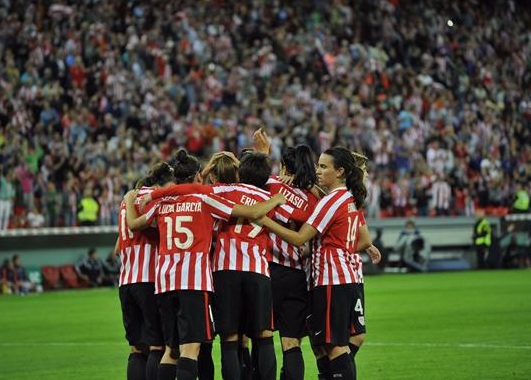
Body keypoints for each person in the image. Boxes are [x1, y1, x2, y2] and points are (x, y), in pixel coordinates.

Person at [125, 149, 286, 380]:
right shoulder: (205, 198)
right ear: (199, 176)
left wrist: (131, 199)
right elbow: (252, 211)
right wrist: (276, 198)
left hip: (163, 282)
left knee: (171, 350)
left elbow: (134, 224)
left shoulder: (163, 202)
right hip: (193, 281)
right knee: (192, 348)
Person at [259, 147, 382, 380]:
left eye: (324, 167)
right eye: (318, 165)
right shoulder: (350, 198)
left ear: (340, 171)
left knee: (332, 346)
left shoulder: (330, 202)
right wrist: (336, 247)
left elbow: (299, 238)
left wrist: (264, 219)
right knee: (343, 341)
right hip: (350, 277)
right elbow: (364, 240)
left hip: (329, 281)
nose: (318, 171)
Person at [253, 129, 320, 380]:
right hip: (296, 275)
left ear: (283, 167)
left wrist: (262, 154)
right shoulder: (313, 201)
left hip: (267, 270)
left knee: (263, 336)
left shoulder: (270, 185)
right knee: (291, 343)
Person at [117, 162, 174, 380]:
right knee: (156, 347)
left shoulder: (127, 201)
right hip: (149, 281)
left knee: (136, 349)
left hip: (126, 281)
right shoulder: (156, 197)